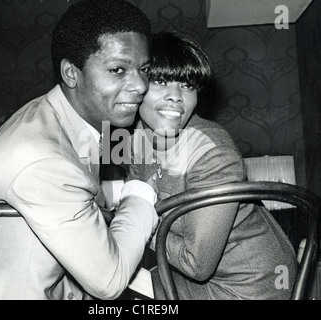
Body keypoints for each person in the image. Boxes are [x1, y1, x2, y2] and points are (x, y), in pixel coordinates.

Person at [0, 0, 159, 300]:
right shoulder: (42, 156)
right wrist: (141, 192)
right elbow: (109, 280)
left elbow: (80, 204)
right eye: (118, 69)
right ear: (71, 74)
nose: (140, 85)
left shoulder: (62, 117)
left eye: (144, 69)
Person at [109, 31, 298, 300]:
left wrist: (132, 222)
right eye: (161, 81)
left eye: (187, 86)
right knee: (101, 283)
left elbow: (196, 264)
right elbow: (136, 192)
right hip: (188, 278)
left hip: (253, 283)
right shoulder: (138, 135)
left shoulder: (213, 152)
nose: (176, 97)